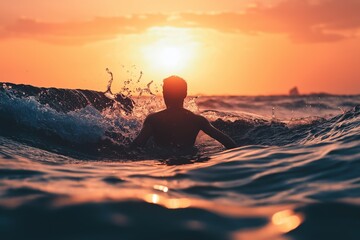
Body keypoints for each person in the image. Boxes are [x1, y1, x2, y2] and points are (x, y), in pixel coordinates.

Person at [132, 76, 236, 150]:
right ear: (185, 94)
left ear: (164, 94)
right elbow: (229, 143)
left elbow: (136, 146)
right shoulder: (197, 120)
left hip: (162, 166)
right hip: (189, 161)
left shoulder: (154, 119)